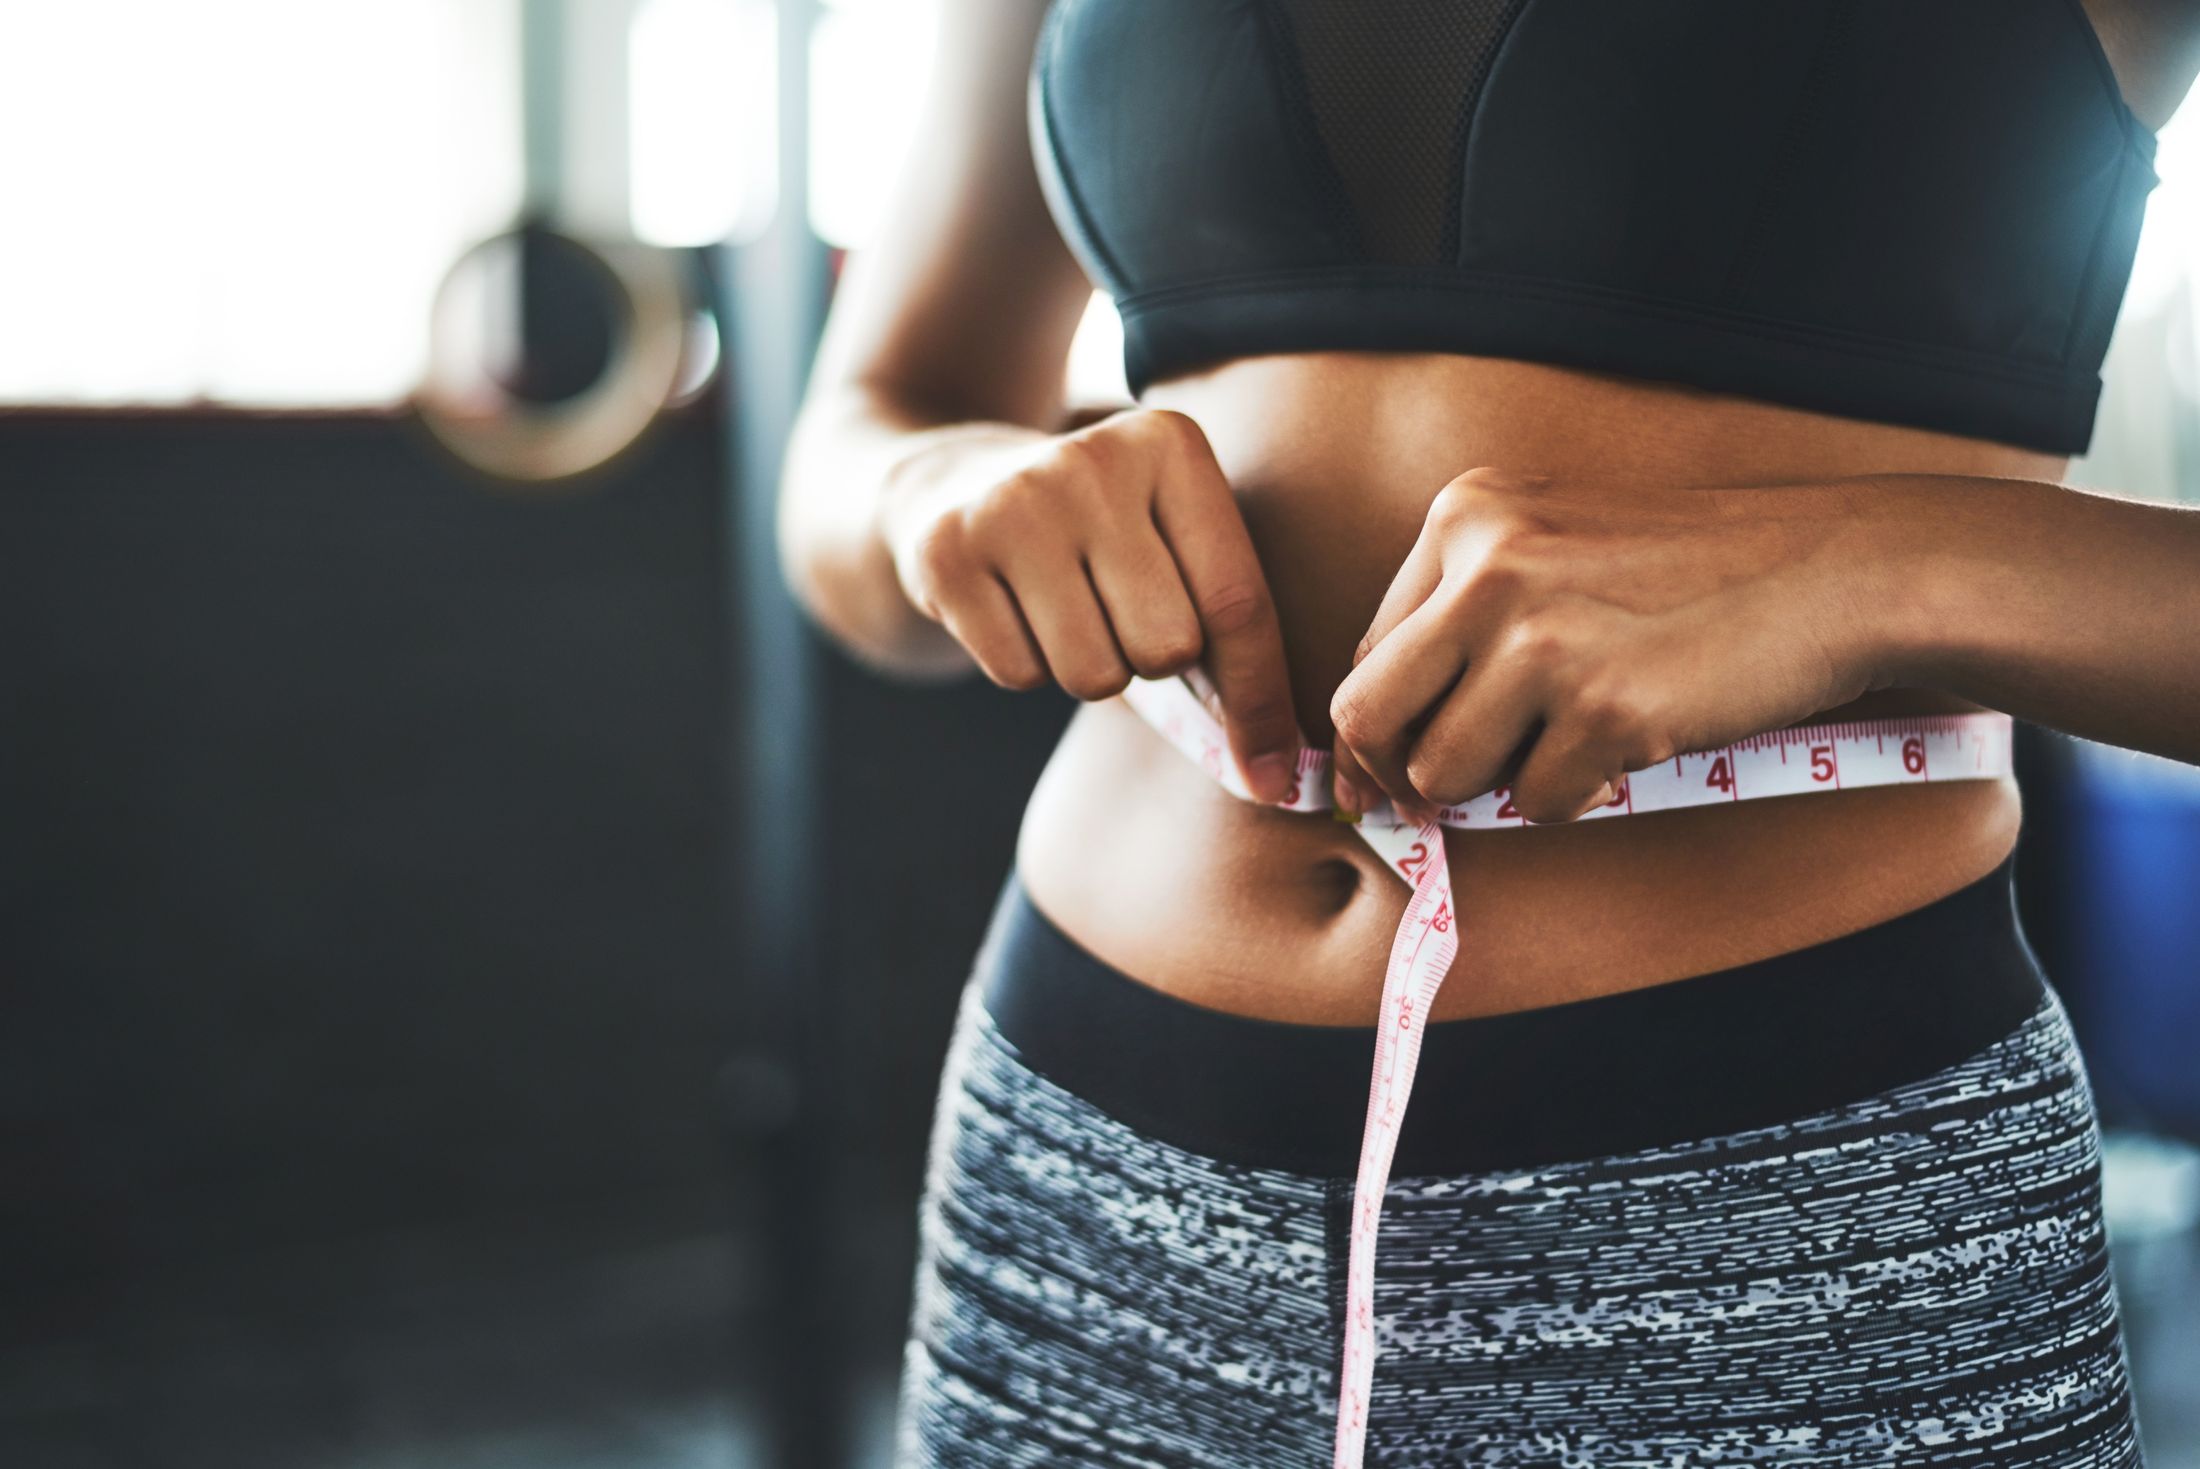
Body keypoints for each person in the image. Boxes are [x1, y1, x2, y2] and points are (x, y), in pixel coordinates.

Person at [778, 1, 2200, 1462]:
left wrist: (1868, 568)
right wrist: (936, 491)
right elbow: (868, 426)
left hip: (1779, 1206)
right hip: (1084, 1158)